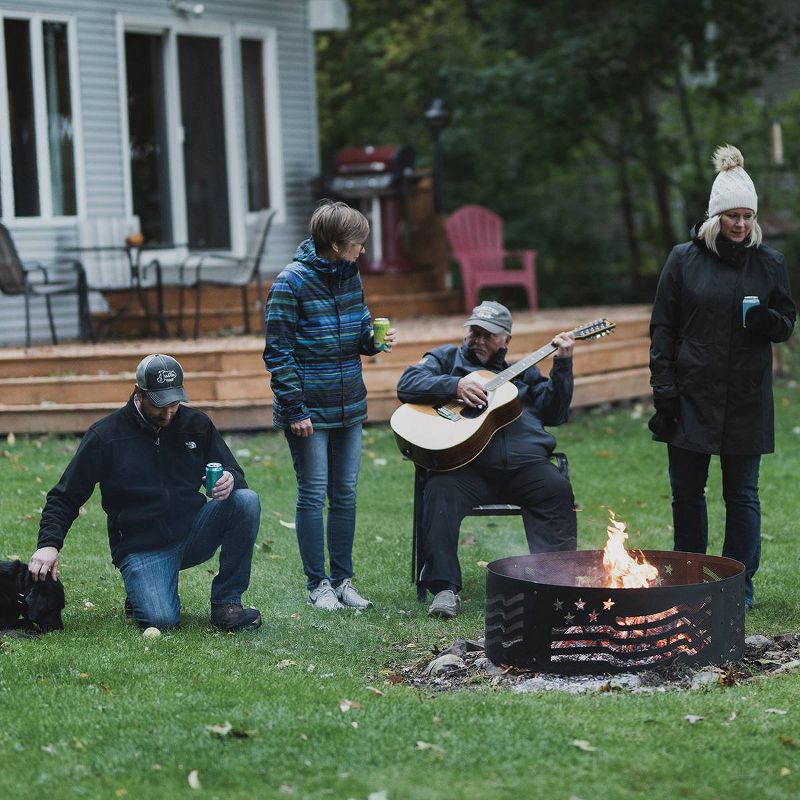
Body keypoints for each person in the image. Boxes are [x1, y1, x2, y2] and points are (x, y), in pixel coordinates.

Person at [649, 144, 796, 610]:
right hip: (690, 393)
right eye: (732, 216)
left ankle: (738, 582)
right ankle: (690, 577)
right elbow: (663, 328)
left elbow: (786, 323)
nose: (740, 224)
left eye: (747, 216)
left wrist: (764, 322)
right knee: (687, 493)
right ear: (715, 217)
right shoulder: (683, 260)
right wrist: (664, 390)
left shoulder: (769, 263)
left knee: (743, 494)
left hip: (746, 395)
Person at [28, 354, 262, 632]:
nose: (168, 413)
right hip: (141, 546)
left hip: (193, 531)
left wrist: (229, 479)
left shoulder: (197, 425)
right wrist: (48, 544)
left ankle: (227, 603)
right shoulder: (105, 435)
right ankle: (141, 587)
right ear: (138, 393)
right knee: (161, 620)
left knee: (246, 501)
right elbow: (64, 496)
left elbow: (235, 474)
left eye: (174, 404)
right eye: (159, 405)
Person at [396, 301, 577, 618]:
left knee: (555, 487)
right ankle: (444, 589)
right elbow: (407, 383)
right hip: (466, 469)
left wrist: (562, 365)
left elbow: (555, 412)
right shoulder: (444, 359)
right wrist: (454, 384)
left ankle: (555, 583)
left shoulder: (525, 373)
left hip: (525, 468)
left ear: (505, 339)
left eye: (487, 334)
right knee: (439, 489)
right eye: (473, 331)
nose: (477, 338)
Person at [264, 200, 397, 611]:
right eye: (358, 244)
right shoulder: (291, 282)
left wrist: (372, 341)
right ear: (337, 244)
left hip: (349, 404)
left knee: (346, 494)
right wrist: (295, 408)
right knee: (313, 493)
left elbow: (359, 324)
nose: (363, 251)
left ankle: (343, 581)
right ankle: (316, 585)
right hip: (308, 409)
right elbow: (277, 352)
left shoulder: (349, 276)